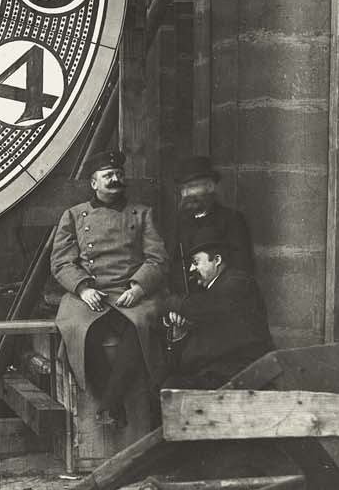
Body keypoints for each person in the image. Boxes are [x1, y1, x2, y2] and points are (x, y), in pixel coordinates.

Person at [52, 149, 169, 428]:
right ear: (94, 183)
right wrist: (82, 289)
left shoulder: (142, 214)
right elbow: (60, 262)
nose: (115, 179)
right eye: (108, 176)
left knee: (139, 328)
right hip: (91, 293)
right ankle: (112, 403)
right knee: (81, 332)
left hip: (131, 291)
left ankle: (109, 405)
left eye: (118, 174)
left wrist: (139, 288)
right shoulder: (74, 216)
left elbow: (158, 258)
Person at [164, 235, 274, 388]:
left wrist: (170, 303)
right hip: (221, 372)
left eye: (196, 262)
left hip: (242, 374)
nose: (191, 269)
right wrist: (179, 331)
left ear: (217, 260)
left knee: (171, 386)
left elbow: (200, 307)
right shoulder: (212, 291)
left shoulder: (238, 282)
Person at [173, 154, 255, 292]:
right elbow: (175, 267)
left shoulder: (232, 220)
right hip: (188, 301)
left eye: (192, 186)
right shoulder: (182, 223)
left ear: (210, 186)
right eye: (183, 189)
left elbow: (242, 268)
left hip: (222, 298)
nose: (186, 194)